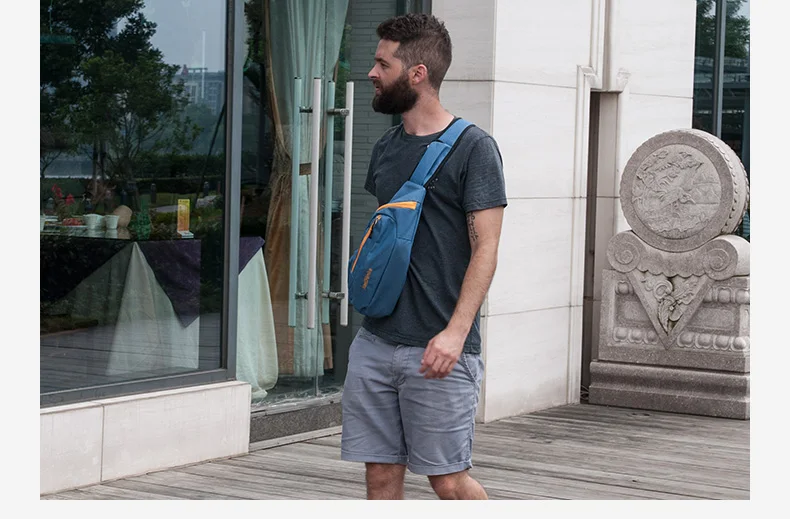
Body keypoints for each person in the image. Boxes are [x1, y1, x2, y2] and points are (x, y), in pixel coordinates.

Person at [340, 13, 507, 500]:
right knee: (380, 476)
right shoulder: (386, 148)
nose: (371, 73)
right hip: (375, 341)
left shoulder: (474, 149)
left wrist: (455, 334)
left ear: (417, 74)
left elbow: (487, 247)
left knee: (448, 481)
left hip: (438, 347)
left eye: (382, 64)